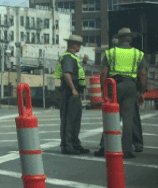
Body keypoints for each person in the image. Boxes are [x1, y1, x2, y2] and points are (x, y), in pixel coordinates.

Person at [98, 27, 144, 157]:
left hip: (114, 86)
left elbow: (104, 73)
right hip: (131, 86)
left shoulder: (111, 52)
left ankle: (105, 146)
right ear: (130, 40)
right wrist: (142, 90)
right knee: (128, 118)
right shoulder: (138, 53)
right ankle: (127, 149)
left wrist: (103, 89)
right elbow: (143, 73)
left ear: (120, 39)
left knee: (111, 116)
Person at [55, 34, 90, 155]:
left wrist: (84, 62)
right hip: (69, 92)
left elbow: (75, 72)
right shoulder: (68, 57)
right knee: (68, 120)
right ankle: (67, 146)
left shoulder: (72, 57)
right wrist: (73, 89)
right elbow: (67, 74)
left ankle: (75, 144)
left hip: (73, 92)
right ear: (73, 45)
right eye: (79, 45)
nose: (80, 47)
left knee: (75, 119)